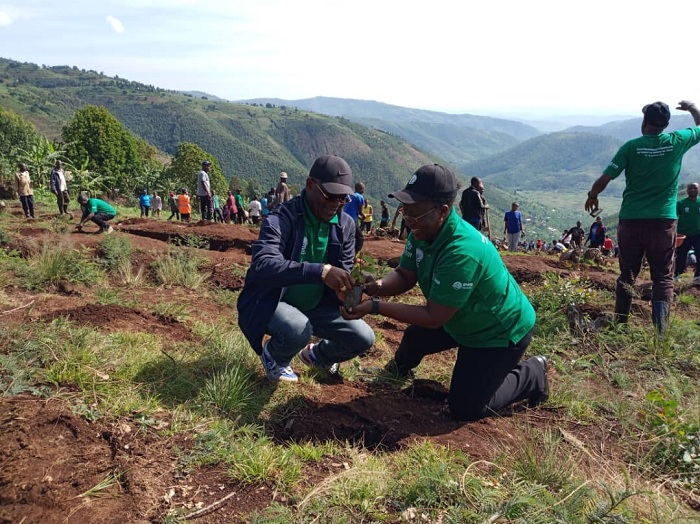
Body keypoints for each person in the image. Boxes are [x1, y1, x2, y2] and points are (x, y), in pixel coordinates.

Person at [342, 164, 548, 421]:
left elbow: (434, 317)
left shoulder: (462, 252)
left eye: (415, 213)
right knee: (415, 338)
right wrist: (379, 286)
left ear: (442, 211)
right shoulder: (422, 229)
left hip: (496, 331)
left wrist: (375, 306)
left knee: (466, 408)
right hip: (460, 317)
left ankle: (533, 373)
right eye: (406, 210)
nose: (409, 219)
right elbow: (405, 275)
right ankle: (397, 371)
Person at [237, 155, 375, 382]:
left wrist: (349, 287)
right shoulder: (282, 218)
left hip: (317, 307)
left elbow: (344, 268)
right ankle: (276, 356)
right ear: (310, 184)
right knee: (298, 327)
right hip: (272, 302)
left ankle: (317, 356)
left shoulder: (346, 226)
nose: (336, 204)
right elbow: (263, 265)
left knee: (363, 337)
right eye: (330, 196)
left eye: (343, 198)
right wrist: (321, 272)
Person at [585, 100, 700, 334]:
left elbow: (604, 178)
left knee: (627, 274)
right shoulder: (677, 141)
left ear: (644, 122)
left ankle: (620, 324)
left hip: (631, 221)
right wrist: (691, 108)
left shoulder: (631, 147)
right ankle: (660, 334)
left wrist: (593, 195)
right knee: (663, 277)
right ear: (665, 124)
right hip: (662, 223)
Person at [674, 182, 700, 284]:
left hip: (698, 234)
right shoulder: (681, 203)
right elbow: (674, 217)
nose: (692, 190)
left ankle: (698, 277)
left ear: (698, 190)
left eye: (695, 188)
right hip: (683, 234)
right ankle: (677, 276)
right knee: (680, 256)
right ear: (687, 190)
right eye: (690, 188)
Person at [344, 182, 365, 251]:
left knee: (347, 235)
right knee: (360, 237)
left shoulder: (349, 195)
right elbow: (360, 212)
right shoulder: (360, 197)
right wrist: (363, 216)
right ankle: (355, 253)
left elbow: (350, 208)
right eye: (363, 189)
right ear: (360, 189)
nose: (363, 191)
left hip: (344, 217)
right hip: (352, 219)